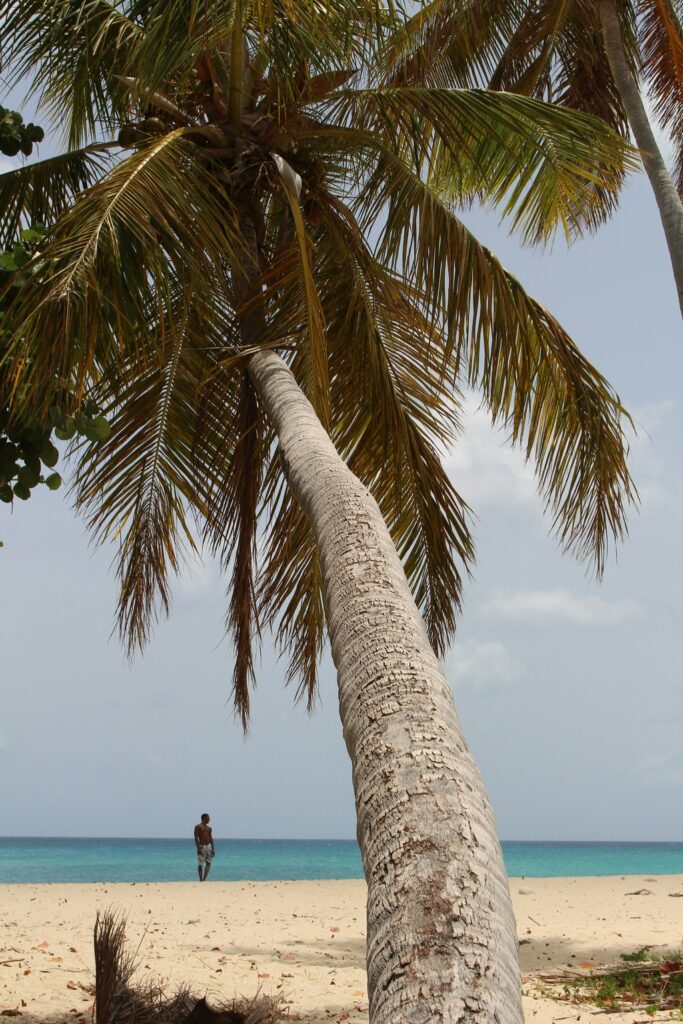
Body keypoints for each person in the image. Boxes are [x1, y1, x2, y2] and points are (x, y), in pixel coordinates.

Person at [194, 813, 215, 881]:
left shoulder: (209, 828)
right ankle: (200, 879)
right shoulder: (198, 826)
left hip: (208, 846)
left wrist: (213, 848)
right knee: (200, 863)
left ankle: (204, 878)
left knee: (208, 863)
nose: (209, 819)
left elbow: (211, 838)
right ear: (204, 818)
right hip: (201, 846)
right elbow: (196, 837)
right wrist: (198, 848)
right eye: (208, 818)